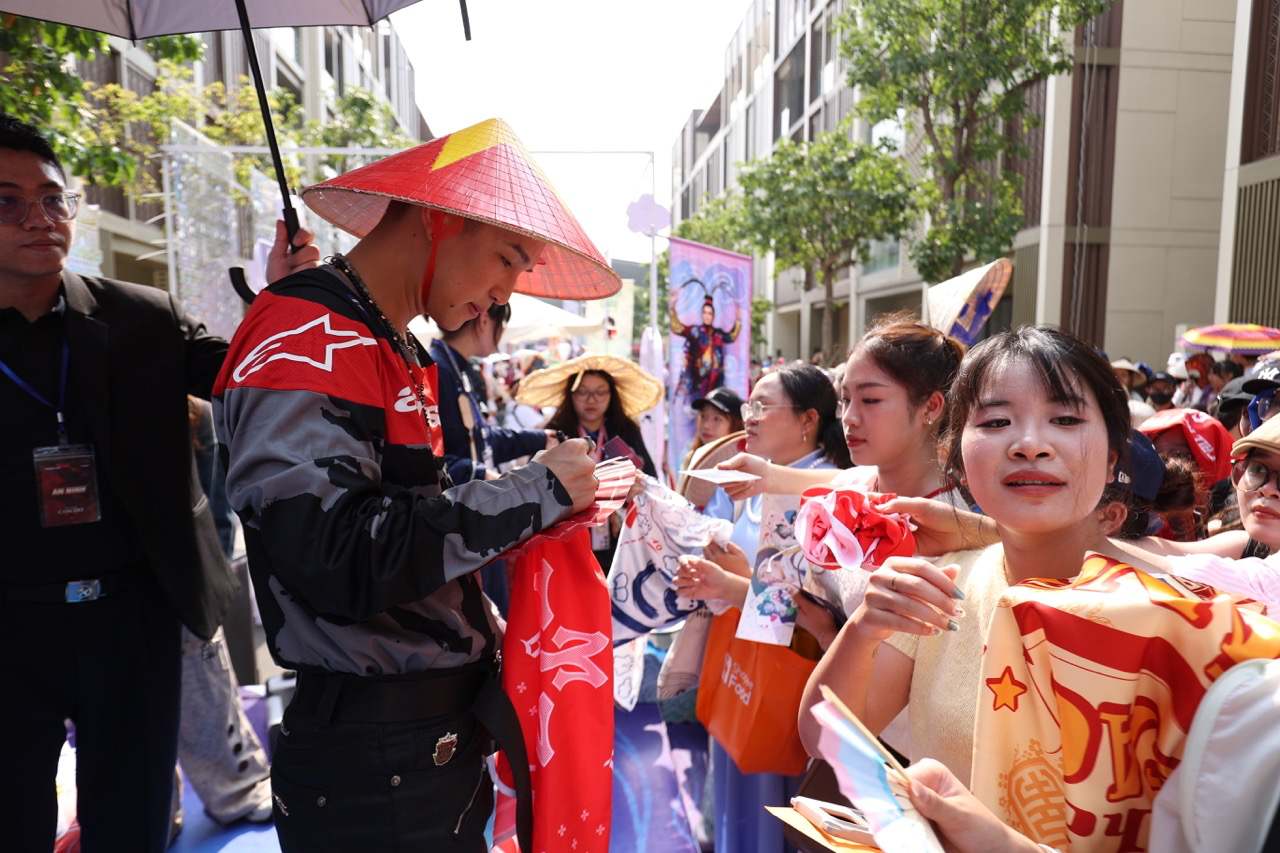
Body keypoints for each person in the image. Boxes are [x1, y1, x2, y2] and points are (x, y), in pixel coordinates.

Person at [213, 118, 604, 851]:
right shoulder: (308, 334)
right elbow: (334, 552)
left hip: (424, 746)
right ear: (438, 216)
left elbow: (406, 519)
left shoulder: (390, 341)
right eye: (506, 259)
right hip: (376, 764)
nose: (504, 293)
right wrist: (534, 492)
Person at [0, 114, 316, 851]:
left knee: (133, 829)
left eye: (52, 198)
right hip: (10, 632)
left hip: (134, 623)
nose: (39, 218)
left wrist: (289, 299)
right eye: (7, 202)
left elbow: (253, 378)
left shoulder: (141, 319)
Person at [798, 325, 1133, 787]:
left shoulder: (1178, 614)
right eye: (995, 422)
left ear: (1112, 457)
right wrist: (862, 630)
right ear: (959, 449)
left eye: (1065, 419)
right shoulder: (941, 585)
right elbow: (825, 738)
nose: (1029, 444)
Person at [673, 363, 851, 853]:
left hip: (785, 685)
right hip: (745, 670)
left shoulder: (824, 492)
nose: (748, 416)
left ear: (808, 420)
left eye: (762, 406)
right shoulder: (756, 483)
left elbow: (815, 610)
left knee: (771, 816)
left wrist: (732, 585)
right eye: (749, 404)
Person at [429, 302, 557, 615]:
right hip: (461, 529)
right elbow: (432, 459)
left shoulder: (456, 368)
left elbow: (484, 440)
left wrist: (541, 438)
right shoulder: (437, 371)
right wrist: (494, 480)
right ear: (485, 318)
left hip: (477, 519)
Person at [520, 354, 660, 568]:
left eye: (600, 392)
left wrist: (632, 491)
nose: (591, 400)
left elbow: (649, 479)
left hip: (619, 541)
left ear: (612, 394)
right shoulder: (555, 433)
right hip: (566, 541)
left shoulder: (626, 430)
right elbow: (533, 487)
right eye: (582, 392)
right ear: (571, 394)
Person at [679, 385, 745, 472]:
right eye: (703, 416)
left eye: (717, 419)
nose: (706, 425)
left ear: (735, 424)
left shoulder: (743, 464)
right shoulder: (691, 458)